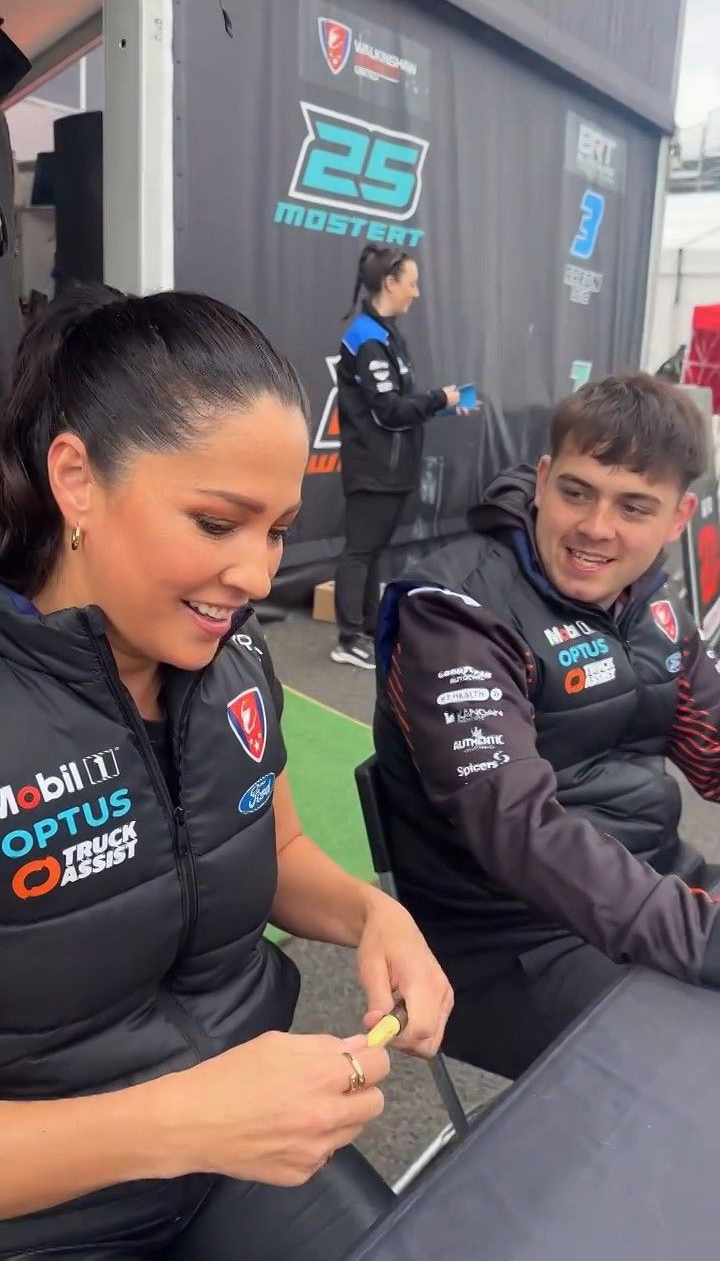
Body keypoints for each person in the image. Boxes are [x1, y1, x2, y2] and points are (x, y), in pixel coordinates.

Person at [0, 284, 453, 1259]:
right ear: (76, 480)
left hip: (248, 1158)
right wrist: (180, 1121)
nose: (256, 575)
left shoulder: (235, 661)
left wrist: (375, 915)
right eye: (216, 523)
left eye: (277, 529)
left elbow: (274, 847)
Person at [373, 372, 720, 1081]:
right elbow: (518, 831)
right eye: (577, 492)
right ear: (541, 480)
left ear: (679, 518)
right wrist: (700, 935)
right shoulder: (456, 612)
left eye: (634, 506)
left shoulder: (651, 602)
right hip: (503, 939)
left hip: (651, 886)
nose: (596, 527)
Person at [331, 245, 462, 671]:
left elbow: (403, 401)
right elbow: (387, 410)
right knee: (360, 551)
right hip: (373, 466)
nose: (416, 292)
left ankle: (368, 629)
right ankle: (348, 638)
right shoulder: (366, 337)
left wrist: (444, 406)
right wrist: (437, 398)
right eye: (412, 283)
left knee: (372, 552)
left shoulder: (385, 334)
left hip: (392, 466)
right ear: (390, 283)